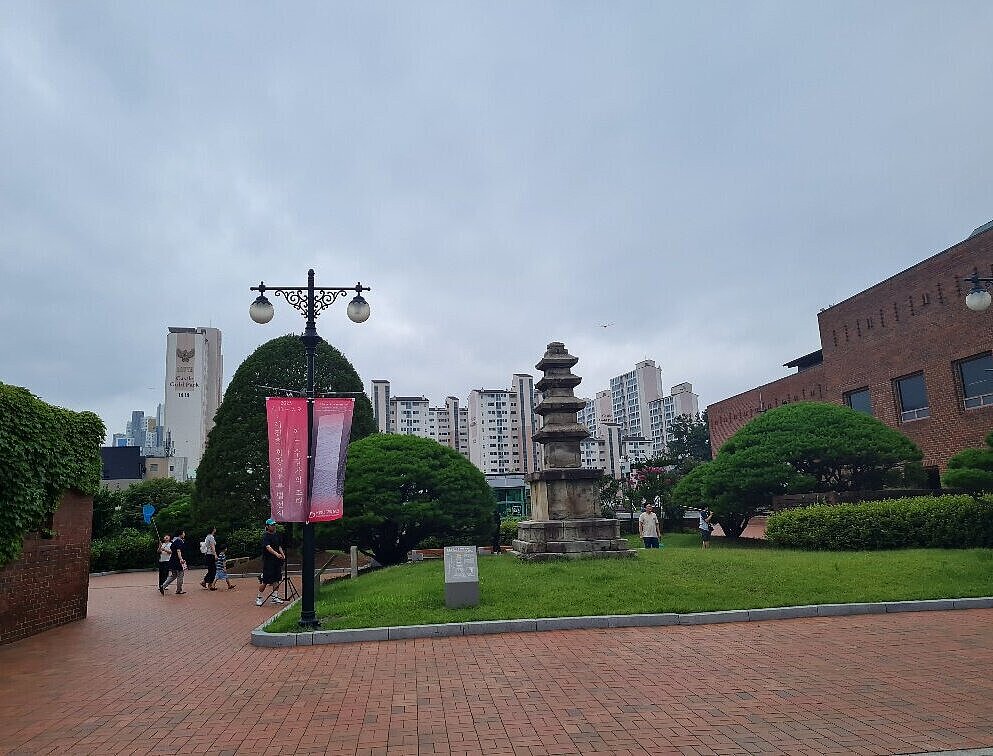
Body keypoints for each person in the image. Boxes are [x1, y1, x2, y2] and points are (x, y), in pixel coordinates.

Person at [255, 519, 286, 606]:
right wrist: (276, 554)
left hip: (276, 562)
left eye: (274, 525)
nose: (273, 526)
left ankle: (275, 597)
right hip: (268, 562)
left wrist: (282, 554)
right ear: (267, 526)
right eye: (271, 525)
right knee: (265, 581)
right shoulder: (266, 536)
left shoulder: (276, 535)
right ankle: (259, 597)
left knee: (276, 579)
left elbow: (279, 546)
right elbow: (268, 547)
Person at [160, 530, 187, 594]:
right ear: (180, 534)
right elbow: (178, 551)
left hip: (172, 560)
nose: (184, 534)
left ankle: (163, 586)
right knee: (180, 575)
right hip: (178, 561)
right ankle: (179, 590)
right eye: (183, 533)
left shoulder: (174, 541)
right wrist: (181, 559)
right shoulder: (179, 541)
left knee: (173, 575)